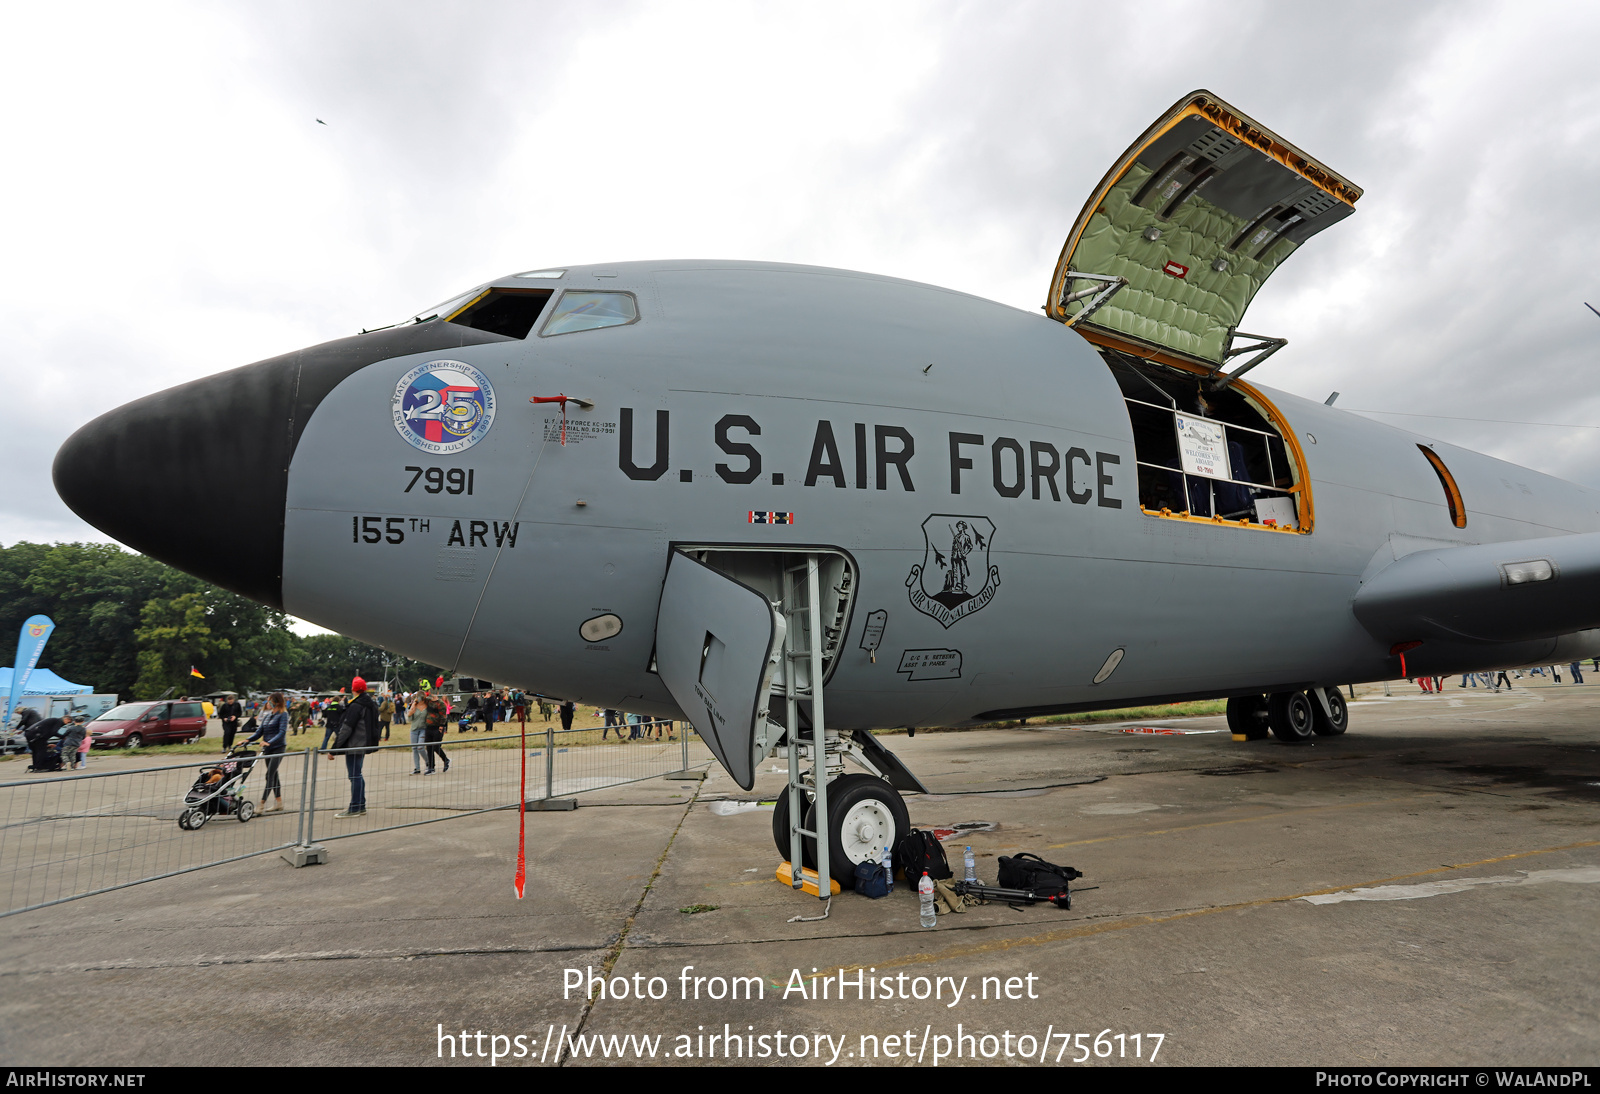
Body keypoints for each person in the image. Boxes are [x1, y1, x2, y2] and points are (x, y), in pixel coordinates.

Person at [243, 692, 289, 812]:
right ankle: (279, 803)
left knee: (269, 775)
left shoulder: (283, 714)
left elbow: (282, 732)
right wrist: (247, 740)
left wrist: (269, 742)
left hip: (278, 748)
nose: (268, 703)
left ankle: (261, 804)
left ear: (277, 702)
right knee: (274, 775)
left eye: (270, 701)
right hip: (268, 749)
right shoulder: (268, 716)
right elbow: (259, 732)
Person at [419, 682, 450, 774]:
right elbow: (420, 699)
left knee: (436, 747)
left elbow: (443, 716)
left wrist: (441, 726)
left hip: (437, 727)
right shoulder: (427, 701)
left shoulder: (440, 703)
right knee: (429, 747)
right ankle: (431, 768)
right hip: (428, 727)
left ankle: (446, 760)